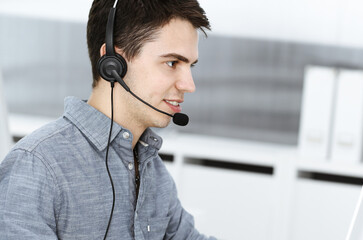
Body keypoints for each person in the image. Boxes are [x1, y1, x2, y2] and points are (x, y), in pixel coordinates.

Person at [0, 0, 215, 239]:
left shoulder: (153, 171)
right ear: (113, 64)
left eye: (190, 66)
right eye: (172, 63)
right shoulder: (37, 167)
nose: (189, 85)